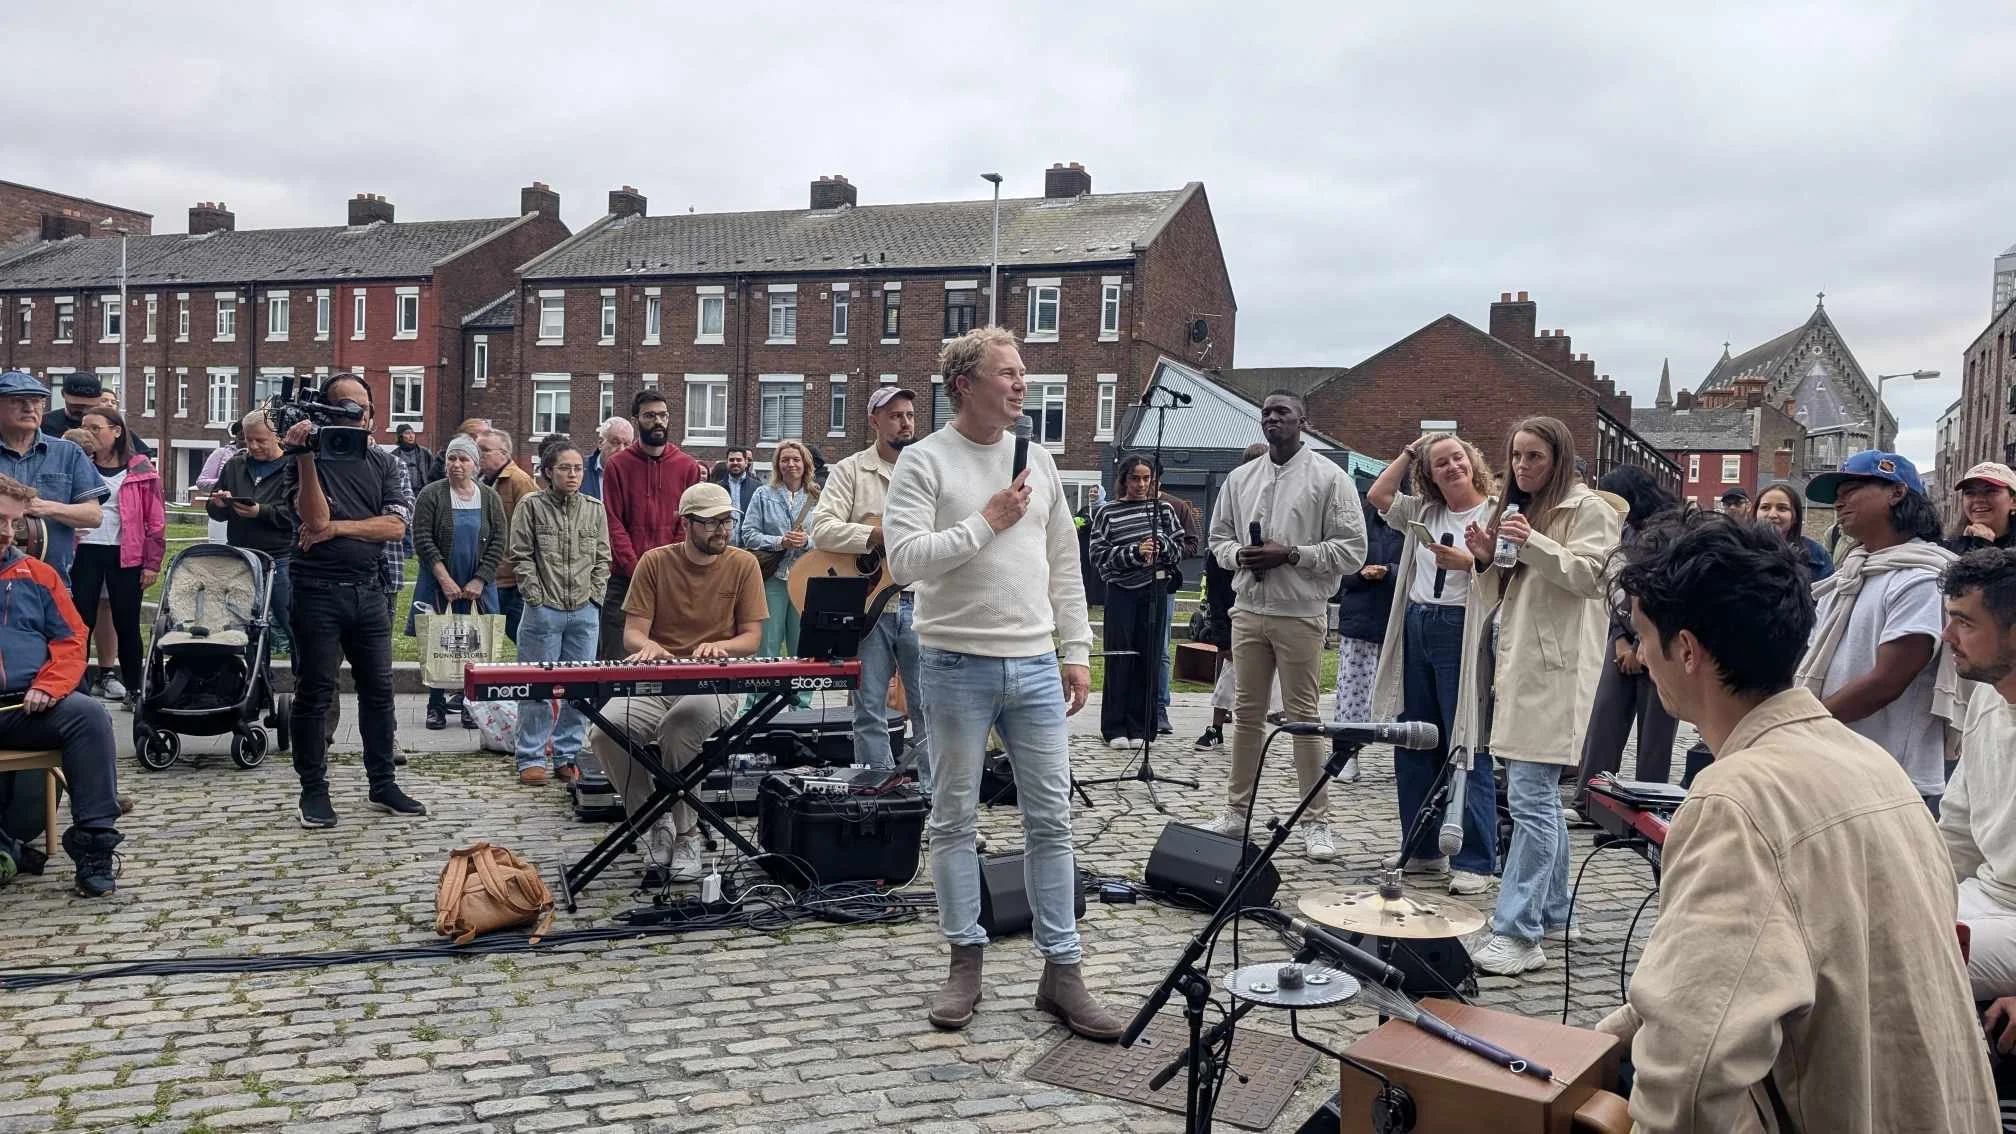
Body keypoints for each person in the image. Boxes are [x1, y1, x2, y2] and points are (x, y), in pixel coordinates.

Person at [1597, 511, 1997, 1132]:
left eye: (1643, 636)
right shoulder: (1870, 761)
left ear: (1685, 649)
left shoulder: (1736, 800)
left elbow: (1694, 1068)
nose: (1641, 656)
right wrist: (1608, 1036)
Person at [885, 326, 1120, 1040]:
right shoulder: (925, 462)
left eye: (1023, 372)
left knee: (1051, 819)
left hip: (1037, 665)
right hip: (955, 663)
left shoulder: (1040, 461)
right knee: (954, 818)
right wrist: (984, 524)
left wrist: (1075, 649)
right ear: (965, 384)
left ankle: (1063, 971)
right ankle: (965, 960)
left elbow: (1064, 566)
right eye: (1007, 373)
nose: (1022, 383)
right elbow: (903, 563)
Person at [1461, 417, 1619, 975]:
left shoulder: (1589, 509)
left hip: (1555, 671)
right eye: (1516, 457)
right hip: (1520, 666)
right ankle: (1554, 913)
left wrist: (1535, 542)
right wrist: (1485, 557)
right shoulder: (1519, 511)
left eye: (1535, 458)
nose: (1523, 468)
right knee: (1538, 799)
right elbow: (1505, 590)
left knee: (1529, 799)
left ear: (1560, 459)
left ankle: (1519, 930)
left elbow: (1589, 577)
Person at [1201, 390, 1367, 863]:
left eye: (1283, 412)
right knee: (1246, 715)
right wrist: (1240, 555)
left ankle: (1317, 821)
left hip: (1300, 612)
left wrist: (1292, 554)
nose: (1273, 418)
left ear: (1302, 421)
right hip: (1249, 611)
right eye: (1267, 412)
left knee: (1304, 719)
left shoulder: (1330, 479)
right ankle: (1236, 812)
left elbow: (1353, 550)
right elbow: (1218, 538)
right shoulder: (1240, 478)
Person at [588, 482, 764, 883]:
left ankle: (687, 836)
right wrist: (648, 646)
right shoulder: (654, 562)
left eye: (727, 521)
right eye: (712, 523)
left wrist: (721, 647)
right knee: (605, 731)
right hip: (658, 682)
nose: (723, 530)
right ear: (686, 523)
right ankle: (654, 821)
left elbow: (751, 639)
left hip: (716, 685)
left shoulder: (743, 564)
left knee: (679, 729)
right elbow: (633, 633)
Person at [282, 373, 424, 827]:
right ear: (322, 410)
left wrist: (338, 529)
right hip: (316, 590)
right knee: (315, 692)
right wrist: (305, 457)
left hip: (369, 588)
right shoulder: (303, 457)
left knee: (379, 692)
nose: (354, 416)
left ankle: (382, 783)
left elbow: (396, 527)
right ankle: (313, 790)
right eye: (342, 407)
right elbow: (314, 515)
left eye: (361, 409)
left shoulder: (383, 462)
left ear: (372, 415)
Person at [1366, 431, 1500, 893]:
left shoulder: (1496, 511)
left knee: (1465, 738)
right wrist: (1408, 452)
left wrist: (1470, 563)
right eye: (1440, 462)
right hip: (1418, 623)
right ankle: (1421, 849)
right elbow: (1379, 495)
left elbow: (1511, 571)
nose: (1452, 468)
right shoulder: (1424, 511)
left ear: (1472, 460)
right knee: (1416, 738)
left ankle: (1477, 859)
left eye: (1457, 458)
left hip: (1463, 627)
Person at [1796, 450, 1958, 814]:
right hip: (1832, 762)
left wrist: (1804, 722)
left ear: (1896, 493)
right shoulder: (1849, 576)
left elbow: (1889, 679)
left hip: (1890, 777)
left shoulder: (1922, 576)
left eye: (1851, 489)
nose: (1839, 501)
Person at [0, 475, 124, 896]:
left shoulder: (38, 574)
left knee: (88, 716)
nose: (6, 532)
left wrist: (50, 685)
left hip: (26, 708)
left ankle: (94, 847)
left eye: (13, 523)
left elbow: (72, 639)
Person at [808, 386, 932, 781]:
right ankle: (875, 794)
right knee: (868, 708)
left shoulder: (930, 468)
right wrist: (876, 536)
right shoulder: (850, 470)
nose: (905, 422)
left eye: (910, 415)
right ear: (874, 420)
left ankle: (934, 797)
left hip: (924, 602)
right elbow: (821, 529)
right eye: (895, 415)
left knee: (932, 708)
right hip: (871, 605)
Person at [1571, 465, 1681, 811]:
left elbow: (1664, 593)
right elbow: (1617, 586)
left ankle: (1648, 806)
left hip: (1661, 641)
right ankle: (1592, 801)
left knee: (1655, 734)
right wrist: (1620, 638)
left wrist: (1640, 646)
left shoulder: (1672, 532)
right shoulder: (1626, 531)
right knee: (1604, 721)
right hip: (1620, 635)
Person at [1939, 548, 2016, 1007]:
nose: (1947, 635)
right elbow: (1957, 833)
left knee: (1895, 959)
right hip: (1982, 897)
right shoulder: (1986, 700)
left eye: (1965, 623)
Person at [509, 439, 609, 786]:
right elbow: (520, 555)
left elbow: (602, 557)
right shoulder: (531, 505)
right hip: (543, 611)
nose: (572, 474)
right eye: (565, 468)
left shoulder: (594, 508)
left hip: (584, 610)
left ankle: (567, 754)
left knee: (579, 690)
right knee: (537, 688)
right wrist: (535, 598)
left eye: (578, 468)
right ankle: (531, 757)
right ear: (548, 472)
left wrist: (595, 597)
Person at [600, 390, 707, 660]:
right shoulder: (618, 465)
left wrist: (667, 567)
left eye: (663, 415)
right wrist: (638, 569)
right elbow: (613, 522)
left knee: (671, 658)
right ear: (637, 421)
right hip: (625, 579)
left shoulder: (687, 466)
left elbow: (688, 523)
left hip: (672, 580)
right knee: (618, 660)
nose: (658, 421)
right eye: (650, 416)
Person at [409, 435, 504, 730]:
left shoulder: (489, 497)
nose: (457, 465)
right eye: (452, 458)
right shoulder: (432, 494)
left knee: (473, 645)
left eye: (463, 459)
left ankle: (468, 704)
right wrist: (444, 578)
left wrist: (480, 579)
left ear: (475, 464)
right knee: (441, 643)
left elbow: (499, 539)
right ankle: (435, 705)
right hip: (440, 582)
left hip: (477, 587)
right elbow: (422, 538)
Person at [70, 408, 163, 707]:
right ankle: (76, 689)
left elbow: (156, 520)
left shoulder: (140, 469)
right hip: (83, 551)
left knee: (127, 623)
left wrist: (151, 563)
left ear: (117, 431)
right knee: (79, 624)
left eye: (96, 428)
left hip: (126, 553)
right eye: (84, 428)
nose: (89, 434)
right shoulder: (77, 463)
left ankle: (135, 689)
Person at [1088, 455, 1181, 749]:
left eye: (1146, 479)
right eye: (1135, 479)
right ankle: (1114, 726)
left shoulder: (1163, 510)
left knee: (1149, 658)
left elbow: (1181, 546)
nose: (1141, 485)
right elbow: (1098, 556)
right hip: (1121, 593)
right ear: (1124, 480)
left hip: (1154, 590)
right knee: (1120, 658)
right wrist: (1134, 553)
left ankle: (1143, 726)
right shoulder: (1108, 513)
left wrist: (1161, 546)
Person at [1193, 444, 1278, 752]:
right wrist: (1222, 634)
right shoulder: (1231, 509)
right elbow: (1217, 582)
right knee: (1232, 673)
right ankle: (1217, 726)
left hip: (1277, 609)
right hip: (1237, 613)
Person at [207, 410, 298, 657]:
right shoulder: (236, 464)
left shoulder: (294, 466)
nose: (253, 446)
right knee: (246, 625)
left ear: (277, 437)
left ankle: (304, 682)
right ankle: (256, 682)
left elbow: (298, 515)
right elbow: (215, 511)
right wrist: (219, 504)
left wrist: (262, 512)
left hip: (280, 557)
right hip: (242, 557)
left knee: (292, 622)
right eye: (248, 440)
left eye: (260, 440)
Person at [0, 372, 105, 584]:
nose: (29, 408)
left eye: (36, 401)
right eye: (18, 401)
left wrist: (47, 507)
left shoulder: (68, 453)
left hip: (50, 584)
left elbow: (94, 516)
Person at [1328, 477, 1399, 783]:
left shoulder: (1409, 525)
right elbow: (1338, 571)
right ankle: (1347, 755)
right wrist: (1359, 574)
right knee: (1352, 694)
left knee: (1401, 697)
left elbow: (1420, 568)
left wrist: (1390, 572)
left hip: (1396, 620)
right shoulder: (1359, 525)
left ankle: (1408, 759)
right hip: (1359, 618)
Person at [738, 438, 819, 668]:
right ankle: (761, 697)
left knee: (803, 644)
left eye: (796, 459)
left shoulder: (819, 497)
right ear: (777, 465)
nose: (790, 464)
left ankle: (800, 702)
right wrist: (779, 541)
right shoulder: (763, 494)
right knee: (767, 644)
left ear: (805, 464)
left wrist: (807, 541)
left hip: (806, 579)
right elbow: (749, 534)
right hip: (773, 578)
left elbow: (828, 537)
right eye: (785, 460)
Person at [1151, 468, 1201, 736]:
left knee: (1160, 647)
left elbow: (1192, 543)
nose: (1143, 484)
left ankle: (1160, 706)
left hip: (1163, 583)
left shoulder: (1175, 506)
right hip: (1128, 584)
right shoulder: (1122, 506)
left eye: (1148, 478)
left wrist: (1167, 552)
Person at [476, 429, 535, 643]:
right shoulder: (480, 482)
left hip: (512, 580)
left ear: (503, 453)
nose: (478, 454)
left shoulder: (519, 481)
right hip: (489, 574)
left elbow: (533, 530)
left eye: (484, 450)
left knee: (522, 637)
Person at [41, 372, 152, 458]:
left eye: (89, 406)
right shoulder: (44, 423)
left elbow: (143, 455)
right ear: (63, 395)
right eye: (77, 405)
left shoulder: (109, 423)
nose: (83, 411)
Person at [1753, 480, 1835, 583]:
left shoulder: (1817, 554)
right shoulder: (1740, 550)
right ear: (1755, 513)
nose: (1772, 515)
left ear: (1795, 517)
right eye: (1765, 508)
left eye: (1782, 508)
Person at [1948, 462, 2016, 555]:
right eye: (1970, 492)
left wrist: (1982, 547)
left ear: (2014, 501)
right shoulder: (1950, 548)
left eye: (1990, 491)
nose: (1978, 499)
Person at [195, 435, 243, 545]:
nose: (246, 441)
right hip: (223, 512)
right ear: (236, 436)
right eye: (242, 436)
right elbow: (201, 482)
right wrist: (228, 484)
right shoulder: (222, 453)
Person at [583, 416, 632, 501]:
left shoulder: (637, 475)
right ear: (600, 443)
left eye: (627, 444)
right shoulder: (580, 471)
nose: (621, 450)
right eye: (615, 442)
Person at [391, 424, 436, 492]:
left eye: (412, 433)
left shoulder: (425, 453)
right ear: (400, 437)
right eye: (407, 433)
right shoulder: (394, 456)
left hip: (423, 492)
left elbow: (433, 473)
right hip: (403, 493)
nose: (411, 436)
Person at [721, 445, 758, 520]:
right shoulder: (718, 488)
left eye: (739, 460)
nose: (735, 462)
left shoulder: (757, 488)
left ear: (746, 462)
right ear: (726, 463)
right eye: (731, 460)